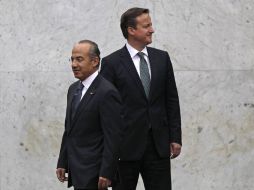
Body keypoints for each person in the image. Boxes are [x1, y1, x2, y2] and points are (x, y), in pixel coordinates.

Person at [100, 7, 182, 190]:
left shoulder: (162, 58)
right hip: (124, 148)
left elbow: (171, 100)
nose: (152, 29)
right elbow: (105, 109)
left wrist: (175, 137)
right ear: (131, 30)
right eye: (147, 26)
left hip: (158, 146)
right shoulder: (111, 63)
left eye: (151, 25)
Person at [56, 40, 124, 190]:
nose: (73, 64)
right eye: (72, 59)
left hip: (95, 172)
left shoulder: (107, 92)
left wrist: (107, 172)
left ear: (94, 61)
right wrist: (62, 161)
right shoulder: (73, 89)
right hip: (76, 169)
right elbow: (69, 129)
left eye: (79, 59)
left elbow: (113, 137)